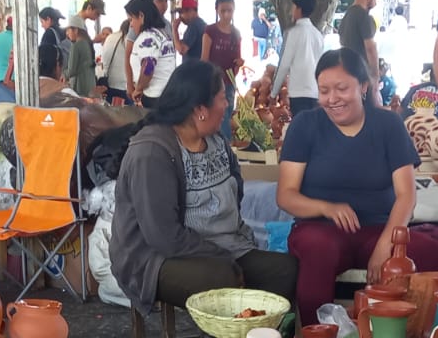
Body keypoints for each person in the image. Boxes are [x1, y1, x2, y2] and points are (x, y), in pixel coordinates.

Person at [111, 60, 299, 315]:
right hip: (156, 258)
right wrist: (220, 255)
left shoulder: (215, 140)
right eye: (222, 98)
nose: (227, 105)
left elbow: (236, 190)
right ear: (200, 109)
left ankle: (261, 337)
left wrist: (231, 243)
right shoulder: (152, 153)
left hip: (221, 246)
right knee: (222, 278)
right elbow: (163, 236)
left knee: (284, 270)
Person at [279, 49, 438, 323]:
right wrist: (327, 208)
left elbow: (406, 195)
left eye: (341, 88)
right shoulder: (305, 125)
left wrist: (386, 244)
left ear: (364, 86)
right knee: (319, 249)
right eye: (324, 91)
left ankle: (419, 335)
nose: (332, 98)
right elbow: (286, 195)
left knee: (433, 254)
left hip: (378, 231)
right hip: (319, 230)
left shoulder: (388, 124)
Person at [272, 0, 325, 116]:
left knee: (300, 125)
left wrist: (274, 93)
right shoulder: (318, 35)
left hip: (298, 92)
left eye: (293, 7)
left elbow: (284, 65)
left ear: (299, 9)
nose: (292, 10)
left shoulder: (293, 34)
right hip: (314, 91)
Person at [202, 0, 244, 141]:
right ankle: (223, 146)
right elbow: (204, 60)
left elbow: (237, 61)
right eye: (223, 11)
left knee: (226, 115)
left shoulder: (236, 33)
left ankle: (224, 146)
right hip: (213, 83)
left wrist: (239, 63)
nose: (226, 14)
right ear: (216, 10)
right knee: (218, 117)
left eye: (229, 10)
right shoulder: (210, 31)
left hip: (229, 84)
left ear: (234, 10)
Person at [126, 0, 177, 107]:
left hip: (154, 98)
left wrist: (138, 89)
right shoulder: (162, 34)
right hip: (168, 94)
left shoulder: (147, 38)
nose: (131, 25)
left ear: (141, 16)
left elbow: (148, 66)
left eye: (131, 19)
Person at [338, 0, 381, 104]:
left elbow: (342, 41)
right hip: (362, 75)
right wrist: (375, 76)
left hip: (346, 71)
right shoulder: (364, 16)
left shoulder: (347, 15)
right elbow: (370, 48)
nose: (376, 2)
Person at [100, 15, 134, 104]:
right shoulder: (129, 40)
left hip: (109, 82)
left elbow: (103, 60)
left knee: (111, 109)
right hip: (123, 84)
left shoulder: (110, 37)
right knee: (126, 111)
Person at [65, 14, 99, 96]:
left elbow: (71, 71)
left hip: (80, 87)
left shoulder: (76, 46)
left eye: (68, 30)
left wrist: (63, 74)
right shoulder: (88, 44)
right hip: (90, 86)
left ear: (76, 30)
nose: (67, 33)